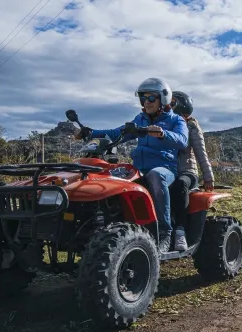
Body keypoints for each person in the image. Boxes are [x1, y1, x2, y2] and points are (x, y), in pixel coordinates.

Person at [75, 77, 188, 253]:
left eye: (151, 98)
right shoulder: (140, 119)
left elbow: (182, 140)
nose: (146, 102)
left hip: (165, 169)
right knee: (112, 178)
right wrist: (90, 133)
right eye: (143, 98)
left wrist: (162, 134)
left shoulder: (176, 120)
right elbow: (116, 133)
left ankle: (165, 232)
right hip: (139, 168)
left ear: (163, 98)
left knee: (156, 175)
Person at [169, 90, 215, 252]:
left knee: (180, 185)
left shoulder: (191, 125)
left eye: (172, 102)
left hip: (187, 172)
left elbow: (201, 152)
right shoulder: (165, 123)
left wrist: (208, 177)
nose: (168, 105)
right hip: (168, 171)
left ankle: (180, 231)